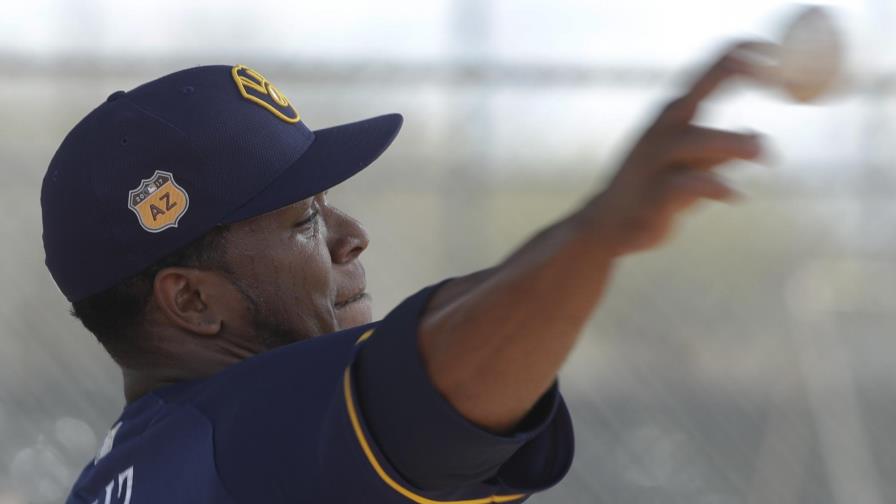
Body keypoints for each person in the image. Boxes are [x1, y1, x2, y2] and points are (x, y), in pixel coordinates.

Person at [42, 43, 766, 503]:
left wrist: (586, 235)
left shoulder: (132, 470)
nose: (351, 237)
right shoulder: (240, 438)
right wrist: (595, 236)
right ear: (193, 301)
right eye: (304, 221)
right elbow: (429, 383)